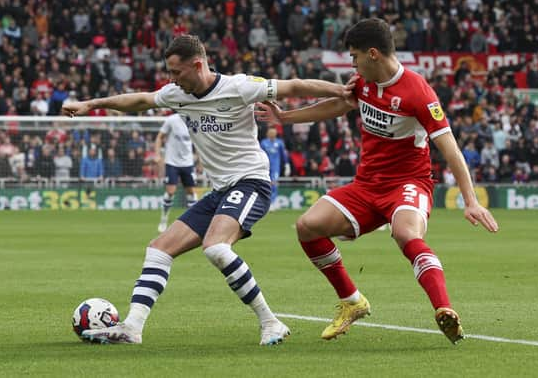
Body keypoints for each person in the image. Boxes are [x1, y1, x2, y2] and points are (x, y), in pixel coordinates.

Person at [62, 34, 348, 346]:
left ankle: (271, 322)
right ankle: (132, 327)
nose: (171, 79)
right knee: (159, 249)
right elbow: (141, 99)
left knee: (216, 247)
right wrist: (91, 104)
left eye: (176, 72)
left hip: (251, 181)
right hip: (219, 190)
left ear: (197, 65)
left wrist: (341, 89)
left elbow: (293, 86)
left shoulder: (239, 86)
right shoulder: (177, 94)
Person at [256, 18, 498, 344]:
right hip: (366, 185)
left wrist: (470, 200)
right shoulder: (363, 83)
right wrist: (285, 118)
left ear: (373, 54)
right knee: (307, 226)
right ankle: (352, 301)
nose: (352, 63)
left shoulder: (418, 93)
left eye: (354, 56)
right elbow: (339, 104)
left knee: (405, 233)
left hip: (408, 184)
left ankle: (444, 310)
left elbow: (451, 150)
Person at [154, 112, 198, 232]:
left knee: (191, 192)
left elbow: (199, 141)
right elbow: (159, 137)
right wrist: (157, 154)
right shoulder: (172, 120)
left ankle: (193, 222)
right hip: (172, 162)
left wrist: (200, 159)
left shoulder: (194, 120)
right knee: (170, 191)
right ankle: (164, 219)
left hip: (188, 162)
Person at [259, 127, 289, 210]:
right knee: (266, 184)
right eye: (270, 133)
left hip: (276, 167)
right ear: (268, 134)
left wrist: (287, 165)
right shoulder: (264, 143)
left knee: (274, 184)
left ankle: (272, 202)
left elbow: (283, 155)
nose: (272, 134)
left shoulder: (279, 143)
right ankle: (266, 202)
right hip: (265, 166)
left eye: (274, 133)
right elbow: (260, 154)